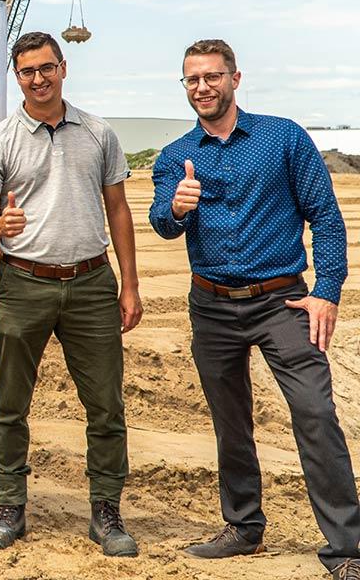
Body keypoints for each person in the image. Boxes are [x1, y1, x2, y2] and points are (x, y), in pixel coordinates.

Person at [149, 39, 360, 579]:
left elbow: (327, 219)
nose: (202, 88)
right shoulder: (176, 155)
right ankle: (243, 528)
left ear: (235, 79)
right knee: (231, 422)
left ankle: (347, 550)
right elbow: (162, 222)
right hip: (211, 305)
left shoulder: (282, 137)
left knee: (315, 414)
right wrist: (174, 207)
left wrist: (327, 290)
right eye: (191, 80)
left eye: (212, 77)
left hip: (282, 302)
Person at [0, 31, 143, 557]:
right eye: (27, 72)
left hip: (92, 284)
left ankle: (107, 511)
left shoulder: (98, 133)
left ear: (63, 67)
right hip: (23, 284)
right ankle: (10, 506)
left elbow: (118, 209)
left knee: (106, 406)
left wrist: (130, 285)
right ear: (15, 77)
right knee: (10, 404)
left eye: (47, 68)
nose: (38, 79)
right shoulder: (0, 139)